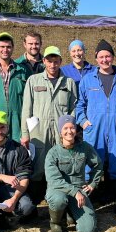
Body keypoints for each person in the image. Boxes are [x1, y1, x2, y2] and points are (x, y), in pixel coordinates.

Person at [76, 39, 116, 219]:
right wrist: (83, 122)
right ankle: (87, 207)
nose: (105, 60)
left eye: (108, 56)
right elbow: (80, 104)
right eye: (101, 57)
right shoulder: (87, 80)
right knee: (90, 166)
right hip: (94, 131)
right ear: (96, 58)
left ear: (113, 58)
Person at [21, 46, 78, 202]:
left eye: (56, 61)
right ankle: (34, 203)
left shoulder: (69, 82)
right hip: (39, 133)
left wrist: (70, 131)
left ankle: (62, 203)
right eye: (49, 61)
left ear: (60, 61)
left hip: (61, 134)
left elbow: (73, 108)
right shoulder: (34, 81)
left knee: (62, 166)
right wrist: (25, 134)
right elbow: (26, 109)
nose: (53, 65)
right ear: (44, 61)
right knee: (38, 167)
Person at [44, 115, 103, 232]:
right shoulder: (53, 153)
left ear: (76, 130)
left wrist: (93, 183)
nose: (69, 131)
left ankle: (70, 212)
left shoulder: (85, 147)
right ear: (60, 131)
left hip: (79, 190)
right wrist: (75, 192)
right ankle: (56, 223)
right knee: (58, 200)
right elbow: (54, 180)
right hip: (58, 189)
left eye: (72, 127)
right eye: (65, 128)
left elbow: (98, 165)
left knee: (88, 229)